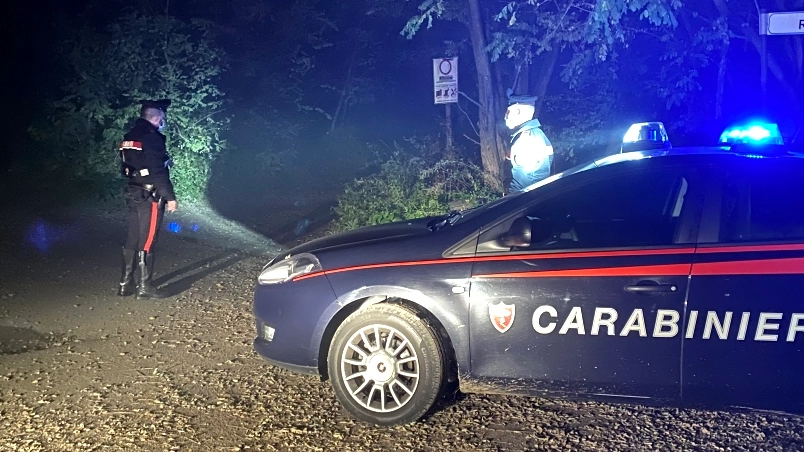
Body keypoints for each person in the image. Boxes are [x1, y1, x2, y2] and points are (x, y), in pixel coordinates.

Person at [117, 99, 178, 299]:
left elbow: (126, 165)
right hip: (150, 194)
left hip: (133, 191)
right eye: (162, 117)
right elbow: (157, 170)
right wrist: (170, 197)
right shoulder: (152, 137)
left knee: (133, 236)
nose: (163, 120)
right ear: (156, 117)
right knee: (148, 239)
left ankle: (125, 283)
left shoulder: (130, 136)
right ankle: (145, 287)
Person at [504, 95, 554, 194]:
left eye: (508, 111)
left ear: (518, 112)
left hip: (525, 199)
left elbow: (524, 182)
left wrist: (509, 203)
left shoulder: (527, 140)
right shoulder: (536, 134)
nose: (505, 116)